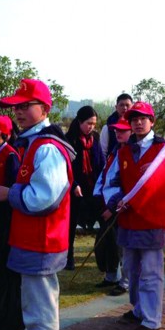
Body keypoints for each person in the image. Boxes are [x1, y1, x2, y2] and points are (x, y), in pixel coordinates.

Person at [0, 78, 75, 330]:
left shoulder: (47, 147)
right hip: (35, 240)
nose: (19, 112)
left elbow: (44, 198)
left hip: (42, 240)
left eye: (26, 106)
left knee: (40, 308)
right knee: (38, 305)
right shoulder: (34, 143)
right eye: (16, 107)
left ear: (44, 108)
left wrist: (9, 193)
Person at [102, 101, 165, 330]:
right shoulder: (123, 151)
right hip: (128, 221)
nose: (138, 123)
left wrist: (139, 199)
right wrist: (116, 199)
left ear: (152, 121)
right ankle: (139, 309)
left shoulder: (163, 150)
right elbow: (113, 182)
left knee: (151, 272)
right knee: (131, 269)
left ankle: (151, 319)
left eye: (143, 118)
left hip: (151, 222)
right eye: (134, 119)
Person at [94, 117, 131, 295]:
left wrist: (112, 207)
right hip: (106, 203)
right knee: (107, 244)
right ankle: (111, 276)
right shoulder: (115, 151)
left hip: (120, 207)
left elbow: (128, 185)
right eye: (116, 130)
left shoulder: (132, 152)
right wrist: (96, 196)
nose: (118, 133)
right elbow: (105, 175)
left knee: (122, 247)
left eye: (123, 130)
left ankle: (124, 282)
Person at [65, 106, 105, 270]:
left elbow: (101, 162)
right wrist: (74, 184)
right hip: (75, 189)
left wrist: (102, 183)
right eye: (89, 123)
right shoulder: (69, 140)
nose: (91, 127)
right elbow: (66, 166)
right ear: (80, 121)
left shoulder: (95, 138)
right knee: (71, 225)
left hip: (93, 187)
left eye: (94, 124)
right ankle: (69, 258)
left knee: (103, 220)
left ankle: (106, 258)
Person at [100, 93, 133, 159]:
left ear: (132, 107)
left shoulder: (137, 126)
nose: (124, 108)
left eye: (127, 105)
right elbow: (103, 153)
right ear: (116, 107)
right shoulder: (107, 128)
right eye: (121, 105)